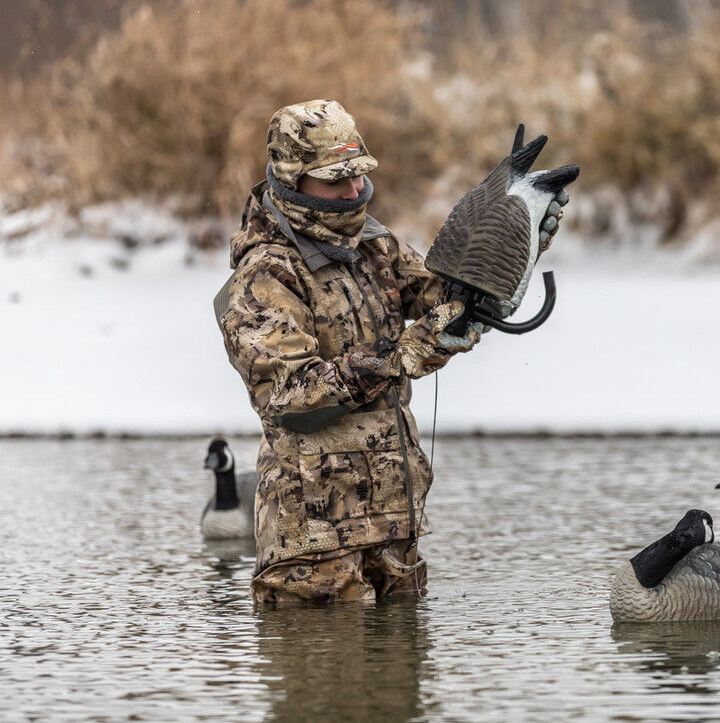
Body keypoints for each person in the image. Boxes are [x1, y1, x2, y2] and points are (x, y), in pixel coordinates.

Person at [215, 99, 560, 605]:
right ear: (291, 181)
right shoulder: (263, 276)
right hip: (313, 547)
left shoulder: (375, 245)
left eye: (359, 174)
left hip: (396, 529)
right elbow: (292, 399)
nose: (354, 191)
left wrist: (519, 237)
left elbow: (453, 302)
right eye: (336, 180)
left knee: (402, 676)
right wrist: (403, 353)